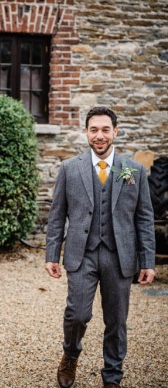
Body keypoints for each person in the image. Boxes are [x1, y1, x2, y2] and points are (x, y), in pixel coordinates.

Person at [45, 106, 155, 388]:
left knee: (116, 320)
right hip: (82, 254)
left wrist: (148, 262)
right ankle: (70, 355)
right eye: (94, 129)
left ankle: (112, 375)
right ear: (86, 132)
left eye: (106, 129)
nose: (100, 135)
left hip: (121, 256)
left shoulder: (134, 170)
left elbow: (144, 218)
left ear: (115, 131)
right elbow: (57, 215)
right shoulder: (70, 168)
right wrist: (51, 254)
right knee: (77, 314)